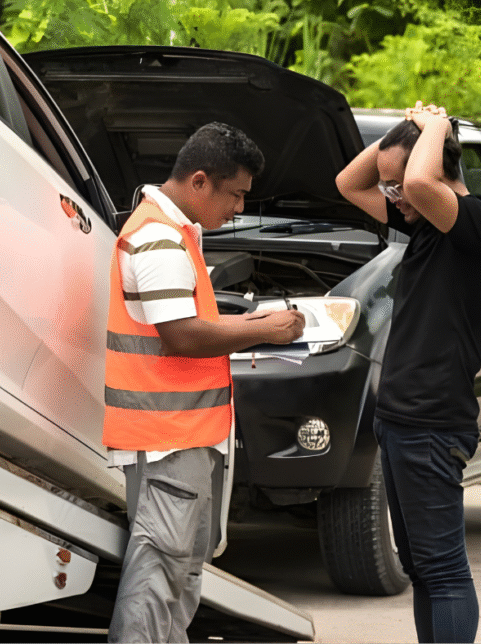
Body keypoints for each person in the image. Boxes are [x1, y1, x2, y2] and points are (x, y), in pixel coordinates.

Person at [103, 122, 305, 643]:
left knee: (179, 577)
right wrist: (265, 328)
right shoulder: (157, 237)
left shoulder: (175, 233)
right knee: (160, 575)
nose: (238, 208)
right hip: (166, 437)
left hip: (183, 434)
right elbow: (183, 336)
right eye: (235, 194)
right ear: (199, 181)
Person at [335, 101, 481, 643]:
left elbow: (416, 179)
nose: (392, 196)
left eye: (399, 186)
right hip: (402, 423)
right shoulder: (428, 230)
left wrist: (436, 125)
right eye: (390, 187)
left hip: (432, 426)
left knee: (444, 571)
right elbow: (348, 181)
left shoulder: (479, 228)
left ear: (435, 174)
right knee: (421, 571)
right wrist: (407, 132)